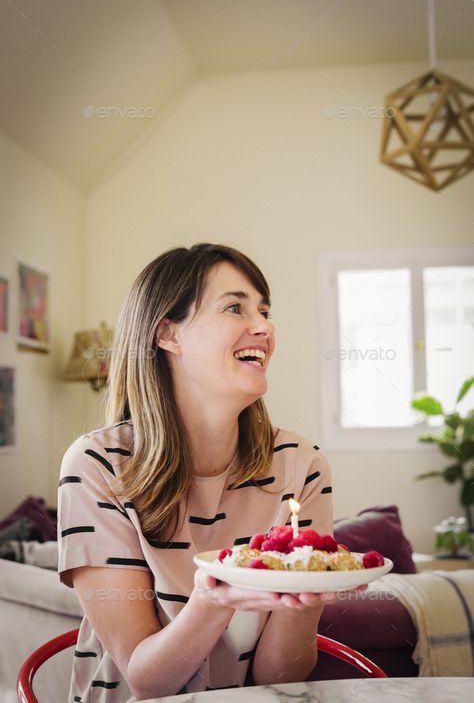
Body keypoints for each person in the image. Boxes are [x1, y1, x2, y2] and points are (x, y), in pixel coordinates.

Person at [57, 243, 334, 702]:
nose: (264, 328)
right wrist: (214, 599)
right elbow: (146, 679)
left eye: (264, 312)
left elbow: (279, 679)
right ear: (169, 334)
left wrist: (309, 595)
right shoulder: (98, 466)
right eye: (234, 308)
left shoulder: (301, 465)